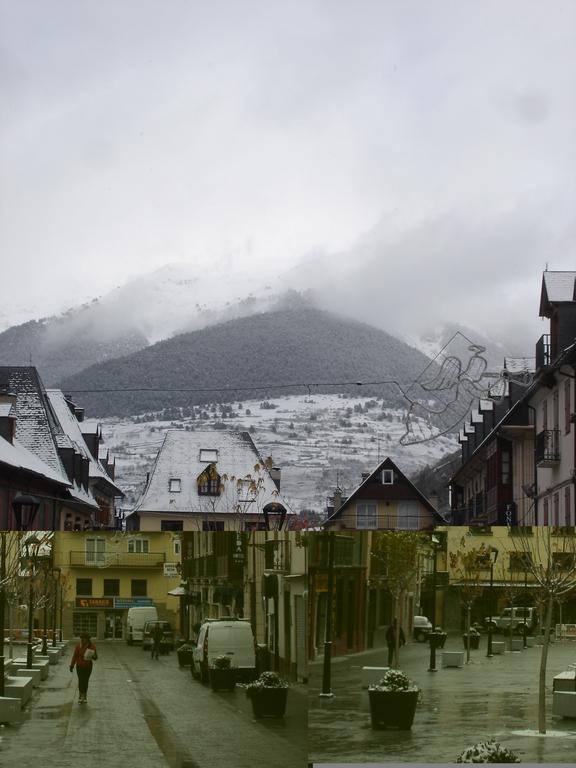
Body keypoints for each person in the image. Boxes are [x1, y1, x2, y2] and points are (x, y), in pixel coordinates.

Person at [70, 632, 98, 703]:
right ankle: (80, 695)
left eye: (84, 639)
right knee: (81, 680)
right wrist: (72, 665)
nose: (82, 640)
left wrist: (93, 656)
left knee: (85, 681)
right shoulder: (78, 646)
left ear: (88, 639)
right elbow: (75, 656)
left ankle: (85, 696)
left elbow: (95, 657)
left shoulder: (92, 646)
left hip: (88, 666)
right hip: (79, 666)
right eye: (82, 638)